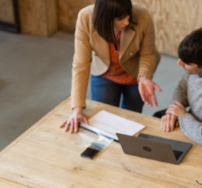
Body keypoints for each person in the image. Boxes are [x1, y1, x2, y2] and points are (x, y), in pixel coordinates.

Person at [61, 0, 161, 133]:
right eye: (120, 19)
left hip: (136, 73)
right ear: (105, 17)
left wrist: (144, 77)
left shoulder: (143, 16)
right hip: (104, 72)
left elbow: (148, 54)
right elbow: (81, 65)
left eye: (128, 15)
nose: (126, 22)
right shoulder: (85, 18)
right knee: (104, 120)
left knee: (130, 120)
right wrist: (77, 109)